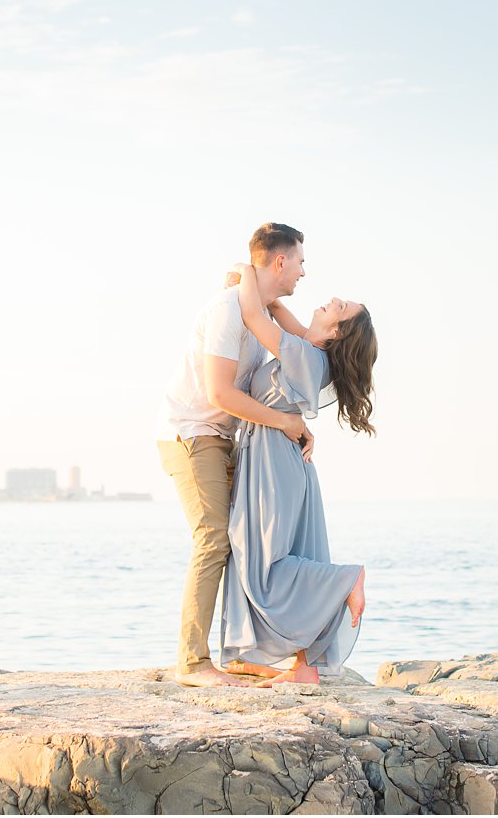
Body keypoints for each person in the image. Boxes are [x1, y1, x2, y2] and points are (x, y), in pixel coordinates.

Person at [155, 223, 315, 688]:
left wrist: (247, 274)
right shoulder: (228, 310)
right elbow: (220, 393)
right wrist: (285, 422)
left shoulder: (257, 306)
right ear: (280, 262)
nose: (305, 271)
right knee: (213, 539)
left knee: (243, 541)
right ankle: (191, 662)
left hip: (226, 438)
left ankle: (241, 652)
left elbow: (302, 337)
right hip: (190, 433)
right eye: (300, 261)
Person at [218, 260, 378, 687]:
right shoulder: (306, 349)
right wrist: (253, 284)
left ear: (338, 332)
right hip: (279, 460)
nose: (328, 301)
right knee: (292, 557)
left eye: (338, 306)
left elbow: (255, 315)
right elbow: (272, 312)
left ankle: (348, 577)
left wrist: (245, 270)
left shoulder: (307, 355)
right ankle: (303, 666)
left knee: (268, 568)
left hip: (274, 464)